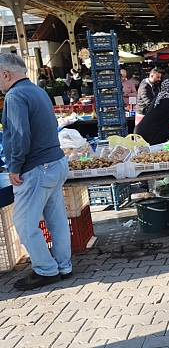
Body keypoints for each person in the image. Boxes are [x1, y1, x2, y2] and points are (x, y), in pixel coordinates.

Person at [0, 53, 72, 290]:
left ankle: (45, 270)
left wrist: (15, 167)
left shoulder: (15, 95)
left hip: (36, 167)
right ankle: (63, 266)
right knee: (57, 220)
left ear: (5, 74)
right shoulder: (37, 91)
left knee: (23, 222)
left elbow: (20, 135)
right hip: (55, 162)